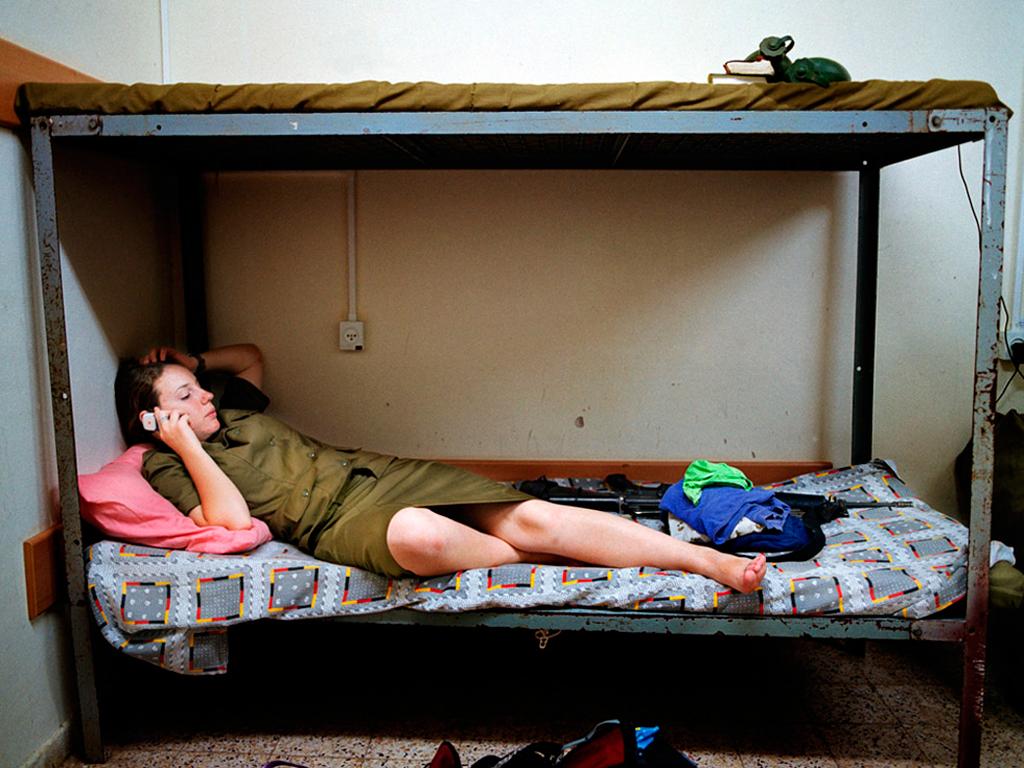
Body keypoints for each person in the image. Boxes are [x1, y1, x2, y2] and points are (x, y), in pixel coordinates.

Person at [115, 344, 767, 593]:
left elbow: (251, 357)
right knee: (420, 538)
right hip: (337, 522)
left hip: (376, 471)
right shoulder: (169, 469)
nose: (201, 396)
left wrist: (191, 360)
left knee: (532, 512)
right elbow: (228, 521)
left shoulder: (228, 408)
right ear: (153, 421)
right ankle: (524, 557)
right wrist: (188, 447)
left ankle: (706, 562)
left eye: (197, 389)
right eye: (182, 397)